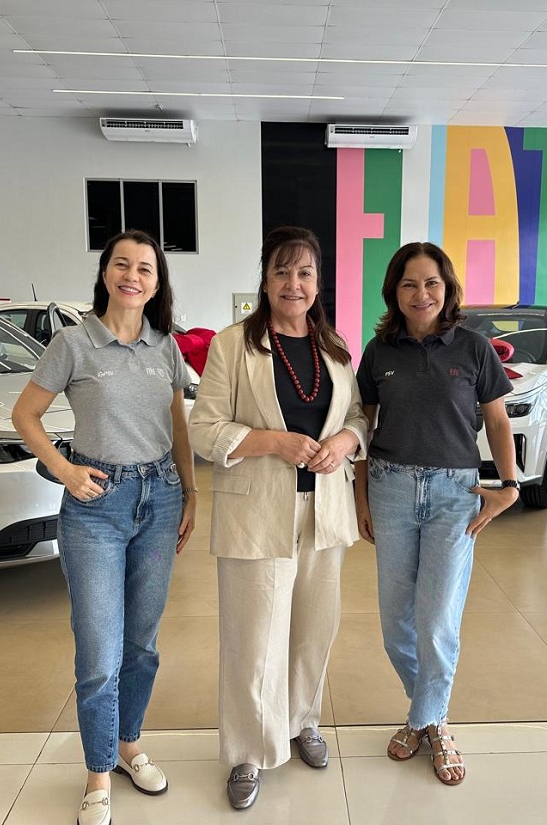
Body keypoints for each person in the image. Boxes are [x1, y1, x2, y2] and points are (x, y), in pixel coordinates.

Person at [12, 229, 197, 825]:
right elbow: (26, 414)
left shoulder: (166, 348)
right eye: (123, 264)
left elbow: (178, 426)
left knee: (141, 645)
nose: (132, 276)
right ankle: (97, 772)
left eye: (145, 269)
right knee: (99, 651)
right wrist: (65, 469)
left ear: (157, 283)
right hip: (97, 507)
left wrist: (191, 492)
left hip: (160, 499)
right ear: (105, 273)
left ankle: (127, 745)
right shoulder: (73, 342)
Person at [189, 226, 367, 810]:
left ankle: (301, 720)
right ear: (264, 281)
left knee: (314, 629)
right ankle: (247, 750)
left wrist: (343, 441)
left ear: (318, 282)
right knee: (254, 637)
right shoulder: (233, 345)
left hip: (325, 510)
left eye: (305, 272)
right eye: (282, 272)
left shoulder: (334, 347)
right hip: (256, 511)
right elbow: (204, 429)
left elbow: (358, 417)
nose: (294, 283)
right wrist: (271, 442)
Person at [353, 241, 519, 787]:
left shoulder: (473, 348)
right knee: (396, 624)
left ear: (447, 289)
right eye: (409, 284)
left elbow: (497, 421)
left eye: (431, 283)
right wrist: (361, 497)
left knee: (437, 619)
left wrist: (509, 486)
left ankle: (431, 722)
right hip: (391, 489)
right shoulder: (378, 351)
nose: (421, 294)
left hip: (454, 494)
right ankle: (428, 711)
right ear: (394, 292)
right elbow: (363, 429)